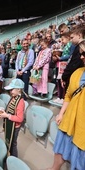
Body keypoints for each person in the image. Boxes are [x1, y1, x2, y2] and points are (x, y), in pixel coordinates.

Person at [48, 40, 85, 170]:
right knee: (58, 156)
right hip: (69, 122)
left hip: (83, 129)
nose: (81, 57)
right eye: (81, 54)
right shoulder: (77, 72)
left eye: (84, 54)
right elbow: (68, 95)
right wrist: (61, 113)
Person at [0, 78, 25, 157]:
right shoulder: (13, 97)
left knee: (13, 144)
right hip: (9, 124)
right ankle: (8, 156)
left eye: (12, 89)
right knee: (8, 141)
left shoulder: (20, 102)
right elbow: (10, 109)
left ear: (19, 90)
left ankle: (14, 159)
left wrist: (7, 116)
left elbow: (20, 119)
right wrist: (3, 112)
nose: (10, 92)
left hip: (15, 127)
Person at [61, 27, 84, 91]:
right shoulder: (77, 47)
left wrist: (64, 76)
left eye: (72, 38)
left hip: (76, 77)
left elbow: (73, 64)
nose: (70, 40)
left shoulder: (80, 48)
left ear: (79, 35)